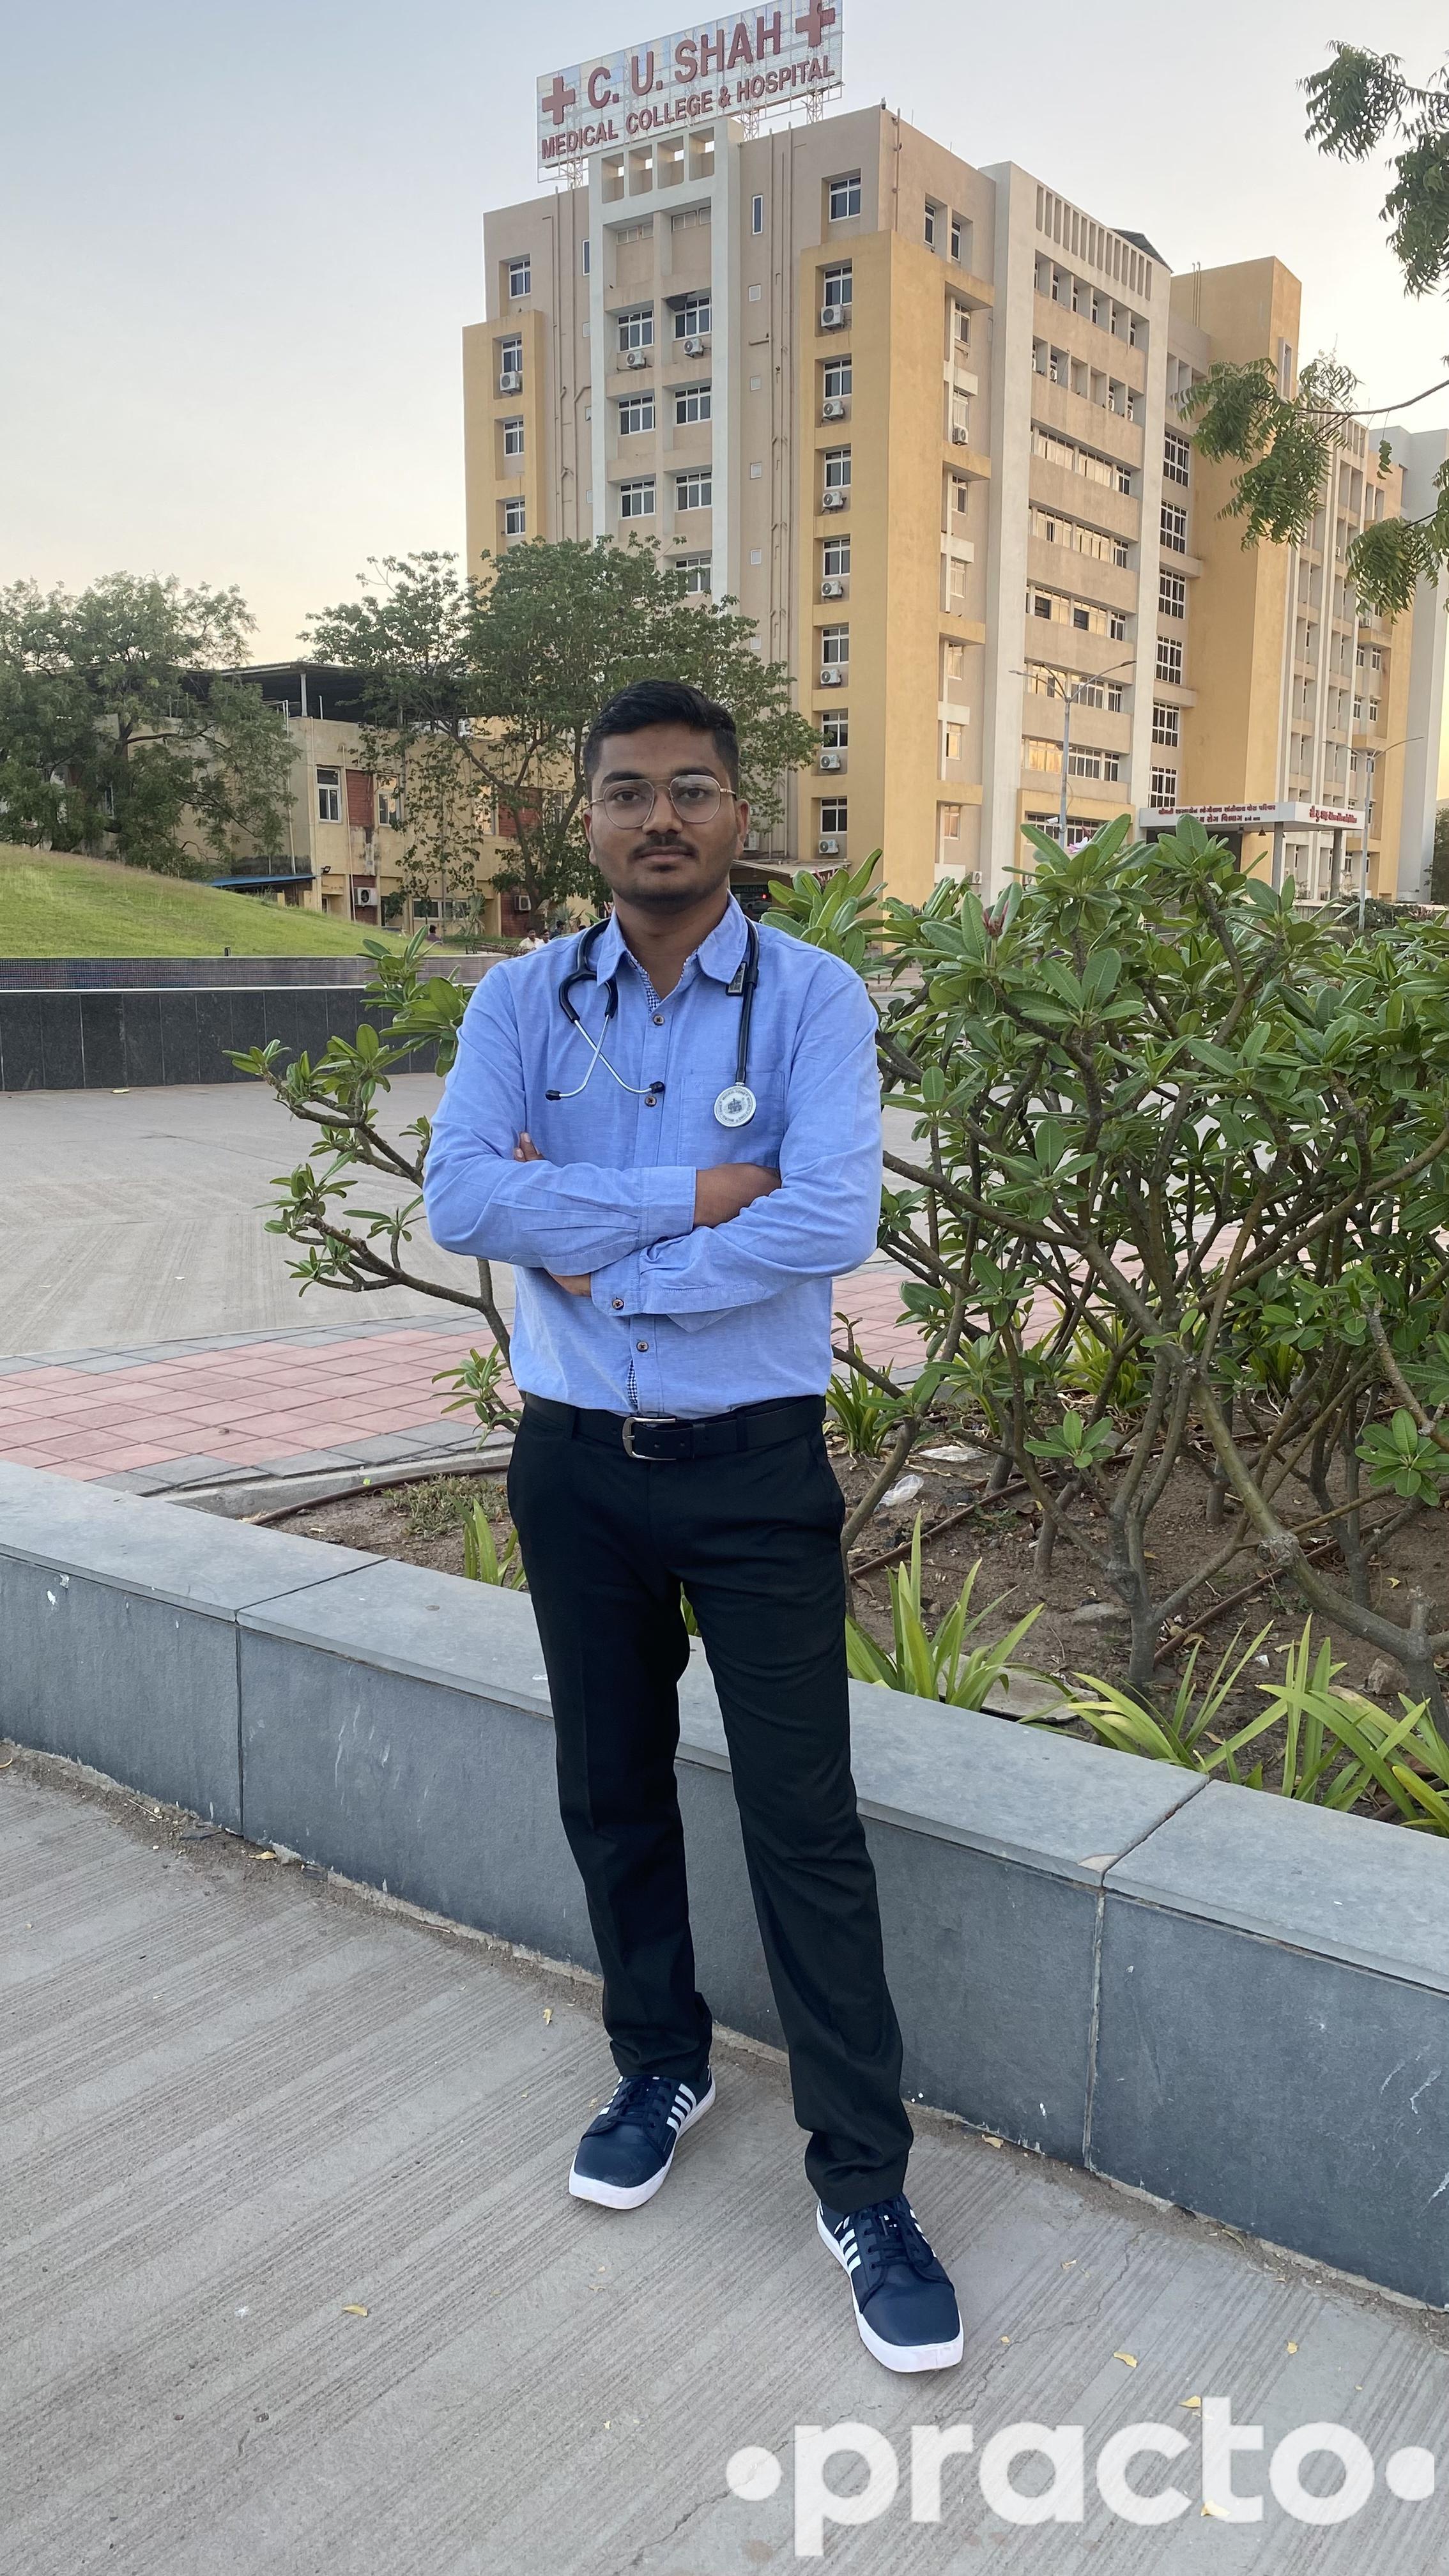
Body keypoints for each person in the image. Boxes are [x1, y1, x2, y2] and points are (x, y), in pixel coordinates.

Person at [424, 678, 962, 2373]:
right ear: (584, 816)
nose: (660, 816)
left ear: (739, 815)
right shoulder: (521, 1000)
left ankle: (863, 2181)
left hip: (749, 1471)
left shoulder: (812, 998)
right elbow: (463, 1196)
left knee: (805, 1822)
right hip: (576, 1464)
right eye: (627, 790)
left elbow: (829, 1218)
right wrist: (694, 1194)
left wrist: (598, 1252)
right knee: (610, 1787)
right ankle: (657, 2065)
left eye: (693, 790)